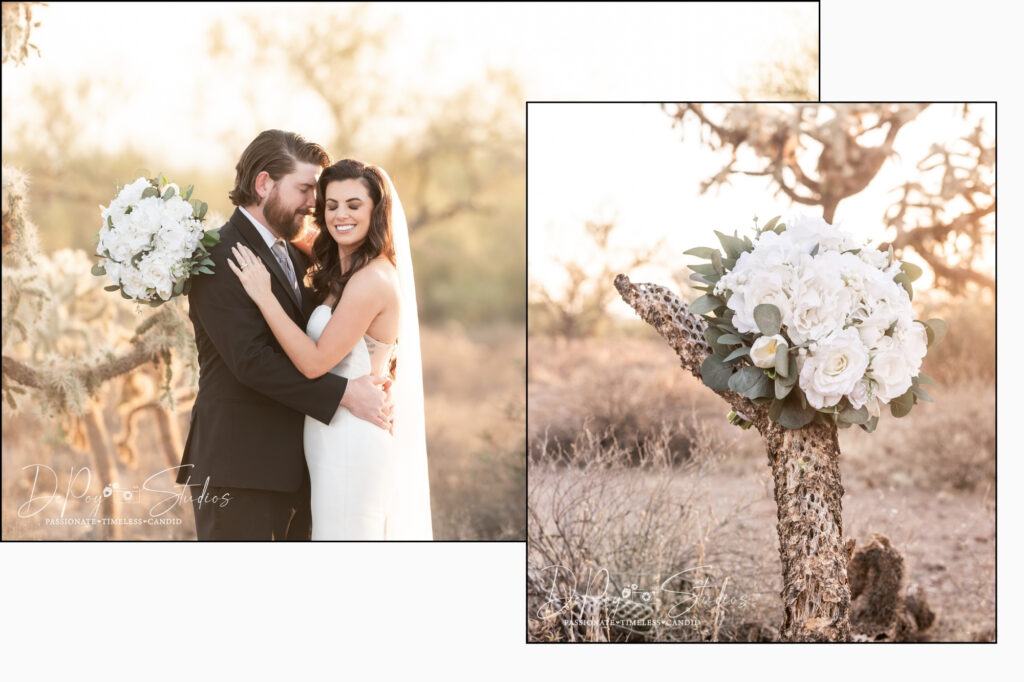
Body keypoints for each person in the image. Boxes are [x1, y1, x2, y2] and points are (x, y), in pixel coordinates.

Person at [177, 130, 393, 541]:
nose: (314, 203)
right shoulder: (219, 256)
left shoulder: (296, 253)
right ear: (264, 184)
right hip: (240, 469)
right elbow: (252, 362)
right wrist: (347, 394)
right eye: (305, 189)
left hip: (305, 467)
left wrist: (380, 378)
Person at [228, 158, 432, 540]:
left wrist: (263, 295)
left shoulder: (372, 279)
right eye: (331, 205)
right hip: (328, 432)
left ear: (377, 211)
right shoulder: (342, 271)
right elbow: (280, 231)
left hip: (352, 438)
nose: (341, 215)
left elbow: (314, 362)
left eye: (354, 205)